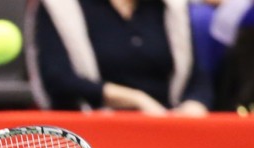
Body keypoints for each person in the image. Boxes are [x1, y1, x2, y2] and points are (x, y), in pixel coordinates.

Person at [27, 0, 214, 116]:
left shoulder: (172, 7)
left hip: (165, 126)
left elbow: (196, 77)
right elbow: (58, 79)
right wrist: (136, 99)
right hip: (93, 131)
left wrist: (194, 105)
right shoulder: (61, 6)